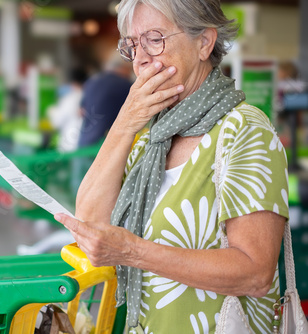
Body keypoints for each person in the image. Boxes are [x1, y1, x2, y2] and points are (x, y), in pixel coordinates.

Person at [54, 0, 289, 332]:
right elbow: (90, 223)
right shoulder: (153, 136)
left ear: (204, 42)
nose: (141, 58)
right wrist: (123, 124)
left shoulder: (244, 129)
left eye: (154, 39)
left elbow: (254, 273)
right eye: (132, 45)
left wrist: (133, 252)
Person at [78, 53, 133, 148]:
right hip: (107, 144)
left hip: (84, 142)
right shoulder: (125, 85)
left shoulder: (92, 81)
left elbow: (81, 112)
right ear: (124, 68)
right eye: (129, 70)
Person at [48, 68, 89, 152]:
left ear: (73, 82)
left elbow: (57, 122)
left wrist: (51, 110)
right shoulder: (89, 97)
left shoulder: (69, 99)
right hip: (87, 145)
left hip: (69, 146)